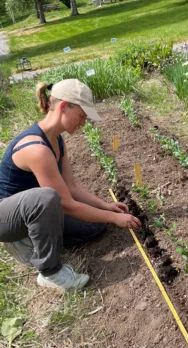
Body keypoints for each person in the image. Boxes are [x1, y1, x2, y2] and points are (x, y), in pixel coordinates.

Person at [0, 79, 141, 292]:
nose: (83, 123)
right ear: (65, 106)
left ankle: (35, 235)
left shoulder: (57, 140)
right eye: (82, 116)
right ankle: (49, 272)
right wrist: (115, 218)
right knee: (46, 199)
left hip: (32, 212)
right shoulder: (37, 149)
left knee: (94, 226)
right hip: (7, 218)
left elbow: (72, 187)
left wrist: (106, 207)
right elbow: (65, 203)